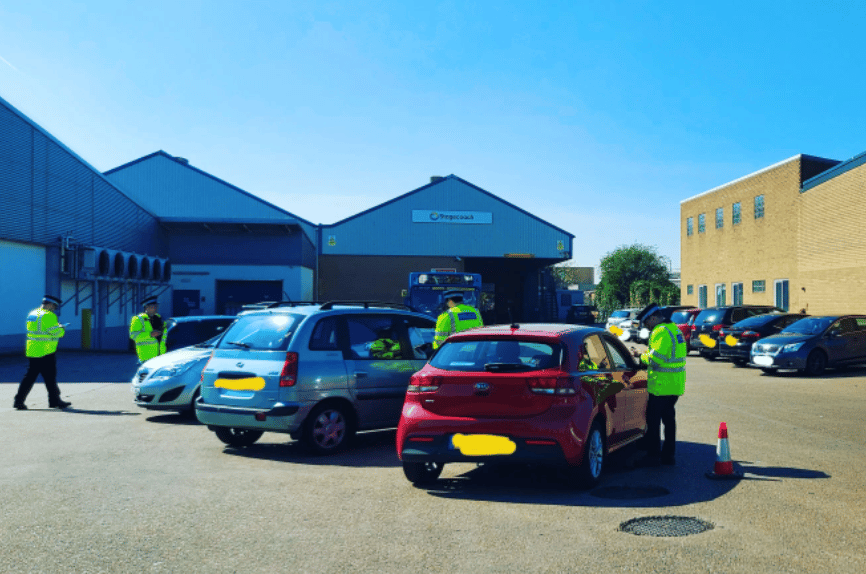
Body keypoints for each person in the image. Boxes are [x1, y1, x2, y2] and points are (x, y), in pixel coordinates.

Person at [631, 303, 687, 466]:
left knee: (653, 420)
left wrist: (640, 359)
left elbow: (656, 360)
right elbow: (664, 354)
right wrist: (644, 353)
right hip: (675, 384)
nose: (647, 327)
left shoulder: (660, 331)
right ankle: (669, 455)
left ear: (653, 318)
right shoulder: (674, 329)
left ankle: (653, 456)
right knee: (669, 420)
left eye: (647, 323)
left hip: (661, 385)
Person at [14, 295, 71, 410]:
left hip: (33, 349)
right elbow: (55, 333)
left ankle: (53, 400)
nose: (54, 309)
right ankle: (53, 400)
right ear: (50, 305)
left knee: (34, 376)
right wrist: (62, 328)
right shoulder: (49, 316)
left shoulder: (33, 314)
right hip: (46, 350)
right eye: (54, 307)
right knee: (48, 376)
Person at [129, 296, 167, 364]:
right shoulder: (138, 319)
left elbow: (164, 338)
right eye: (153, 306)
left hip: (160, 357)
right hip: (145, 357)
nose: (156, 308)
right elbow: (133, 335)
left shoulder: (160, 319)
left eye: (156, 306)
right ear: (147, 307)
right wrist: (150, 334)